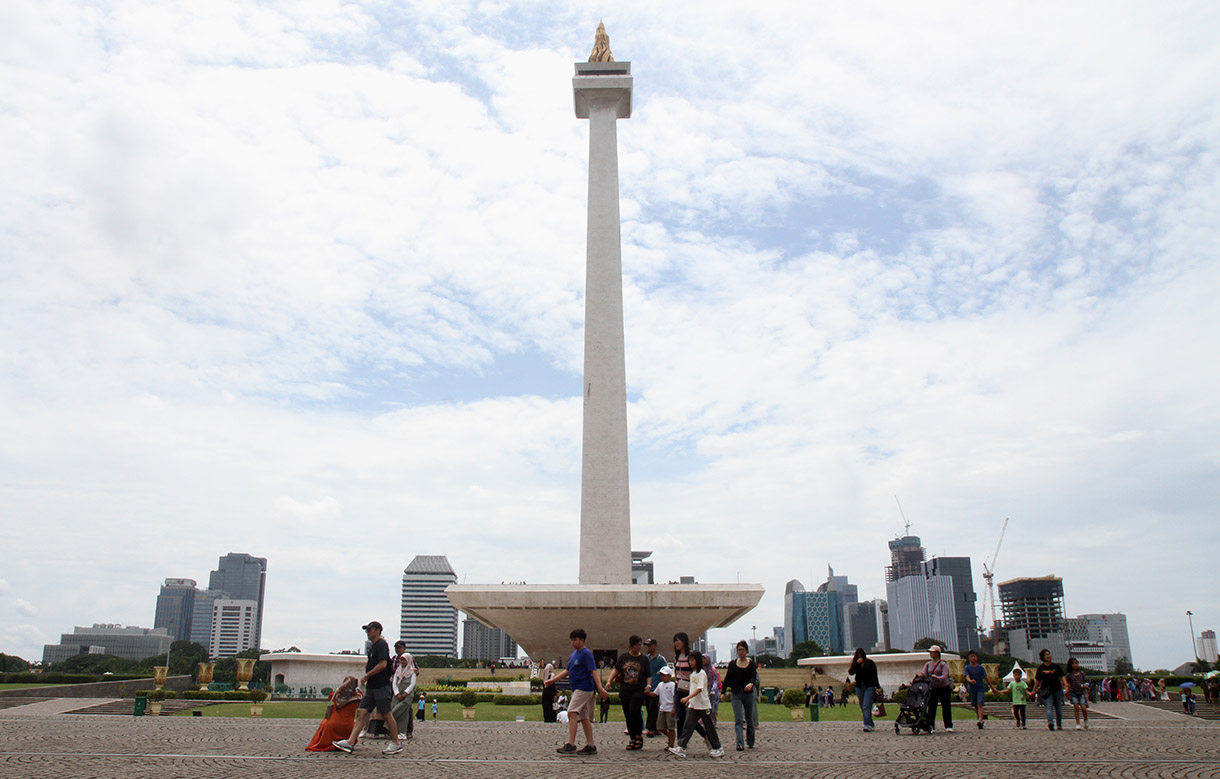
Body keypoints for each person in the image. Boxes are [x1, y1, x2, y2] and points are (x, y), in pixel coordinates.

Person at [332, 621, 403, 755]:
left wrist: (367, 675)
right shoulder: (373, 646)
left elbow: (382, 664)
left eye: (369, 630)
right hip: (372, 687)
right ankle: (351, 741)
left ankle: (396, 743)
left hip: (381, 685)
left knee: (386, 713)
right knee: (362, 712)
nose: (367, 632)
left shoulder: (381, 645)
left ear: (377, 630)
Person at [544, 628, 610, 755]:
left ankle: (571, 744)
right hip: (577, 689)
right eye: (571, 640)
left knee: (572, 712)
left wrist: (600, 688)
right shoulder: (574, 655)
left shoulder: (586, 654)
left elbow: (593, 671)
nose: (573, 643)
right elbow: (567, 671)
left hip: (584, 688)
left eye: (575, 640)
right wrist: (553, 680)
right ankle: (591, 745)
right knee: (584, 717)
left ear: (582, 640)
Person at [666, 651, 724, 758]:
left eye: (693, 660)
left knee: (709, 726)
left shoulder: (701, 674)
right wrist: (690, 701)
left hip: (703, 705)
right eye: (690, 660)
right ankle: (682, 746)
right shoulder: (693, 674)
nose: (691, 662)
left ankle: (717, 747)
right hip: (694, 705)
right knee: (688, 726)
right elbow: (692, 688)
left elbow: (699, 689)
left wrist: (688, 697)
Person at [606, 635, 652, 749]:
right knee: (628, 714)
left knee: (634, 710)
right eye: (638, 645)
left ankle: (638, 735)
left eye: (641, 645)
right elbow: (616, 670)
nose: (640, 647)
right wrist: (608, 681)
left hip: (638, 689)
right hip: (625, 690)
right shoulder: (623, 657)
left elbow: (648, 675)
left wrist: (649, 685)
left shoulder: (644, 659)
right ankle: (633, 738)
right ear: (632, 645)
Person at [306, 676, 361, 751]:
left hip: (333, 725)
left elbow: (331, 696)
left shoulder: (335, 694)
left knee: (325, 722)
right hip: (349, 727)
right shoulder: (357, 697)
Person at [722, 640, 758, 749]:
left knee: (749, 718)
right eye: (739, 650)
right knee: (738, 719)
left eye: (742, 650)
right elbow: (728, 679)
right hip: (736, 692)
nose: (740, 652)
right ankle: (739, 743)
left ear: (746, 651)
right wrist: (723, 692)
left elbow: (753, 676)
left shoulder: (751, 664)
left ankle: (750, 740)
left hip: (747, 693)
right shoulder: (733, 664)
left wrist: (751, 684)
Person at [671, 633, 705, 741]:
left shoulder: (691, 656)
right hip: (679, 688)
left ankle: (706, 736)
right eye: (675, 641)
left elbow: (696, 673)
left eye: (678, 640)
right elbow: (677, 673)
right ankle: (680, 743)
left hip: (689, 690)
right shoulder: (677, 656)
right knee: (679, 718)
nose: (676, 643)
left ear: (684, 642)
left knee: (689, 718)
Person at [386, 640, 417, 741]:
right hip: (397, 691)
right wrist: (397, 693)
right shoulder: (394, 660)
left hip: (406, 692)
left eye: (400, 648)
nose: (397, 650)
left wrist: (405, 693)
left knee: (405, 711)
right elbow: (393, 677)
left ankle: (405, 730)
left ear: (404, 648)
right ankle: (395, 730)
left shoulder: (410, 662)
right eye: (396, 648)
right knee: (394, 708)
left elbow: (414, 678)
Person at [1030, 648, 1066, 731]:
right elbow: (1038, 680)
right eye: (1046, 654)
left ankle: (1059, 724)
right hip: (1046, 690)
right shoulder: (1040, 668)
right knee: (1049, 706)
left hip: (1057, 689)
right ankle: (1050, 722)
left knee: (1058, 707)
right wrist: (1034, 690)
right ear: (1043, 657)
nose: (1048, 656)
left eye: (1049, 654)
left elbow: (1062, 676)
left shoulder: (1056, 666)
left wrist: (1066, 684)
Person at [921, 645, 953, 733]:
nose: (931, 654)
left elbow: (945, 676)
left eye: (933, 652)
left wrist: (936, 677)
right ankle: (931, 725)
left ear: (937, 653)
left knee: (946, 707)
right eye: (930, 652)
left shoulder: (943, 664)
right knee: (931, 707)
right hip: (933, 687)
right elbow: (924, 673)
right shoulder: (928, 664)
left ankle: (948, 725)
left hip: (943, 687)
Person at [847, 647, 881, 733]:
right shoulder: (856, 664)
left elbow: (874, 675)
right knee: (863, 707)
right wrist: (857, 664)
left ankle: (867, 725)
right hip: (859, 686)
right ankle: (870, 722)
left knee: (866, 706)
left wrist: (878, 687)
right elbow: (851, 672)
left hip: (869, 686)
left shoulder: (870, 663)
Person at [648, 665, 678, 748]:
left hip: (669, 708)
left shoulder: (672, 685)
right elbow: (655, 694)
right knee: (660, 727)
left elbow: (675, 697)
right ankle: (670, 737)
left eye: (664, 675)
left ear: (669, 676)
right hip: (662, 708)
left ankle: (671, 744)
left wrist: (674, 708)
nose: (662, 677)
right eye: (661, 675)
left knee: (671, 727)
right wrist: (647, 693)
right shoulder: (660, 685)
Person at [963, 650, 993, 730]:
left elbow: (986, 677)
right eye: (971, 656)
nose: (973, 658)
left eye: (974, 656)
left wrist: (992, 687)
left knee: (979, 703)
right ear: (969, 658)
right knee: (975, 705)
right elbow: (967, 676)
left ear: (977, 658)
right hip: (972, 689)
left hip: (980, 688)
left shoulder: (980, 668)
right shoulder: (967, 668)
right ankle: (980, 718)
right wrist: (970, 681)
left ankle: (980, 719)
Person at [643, 638, 667, 736]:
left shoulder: (661, 660)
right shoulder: (646, 659)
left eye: (650, 645)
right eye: (647, 645)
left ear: (655, 646)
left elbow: (665, 673)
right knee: (649, 708)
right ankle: (656, 727)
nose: (648, 647)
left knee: (653, 707)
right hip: (648, 688)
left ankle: (652, 728)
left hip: (657, 688)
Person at [1065, 657, 1089, 730]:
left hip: (1081, 692)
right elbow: (1068, 684)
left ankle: (1085, 720)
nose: (1075, 665)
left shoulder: (1081, 674)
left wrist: (1085, 689)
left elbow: (1084, 682)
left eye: (1076, 663)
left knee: (1083, 708)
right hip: (1073, 692)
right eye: (1073, 663)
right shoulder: (1069, 675)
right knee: (1076, 707)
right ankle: (1078, 723)